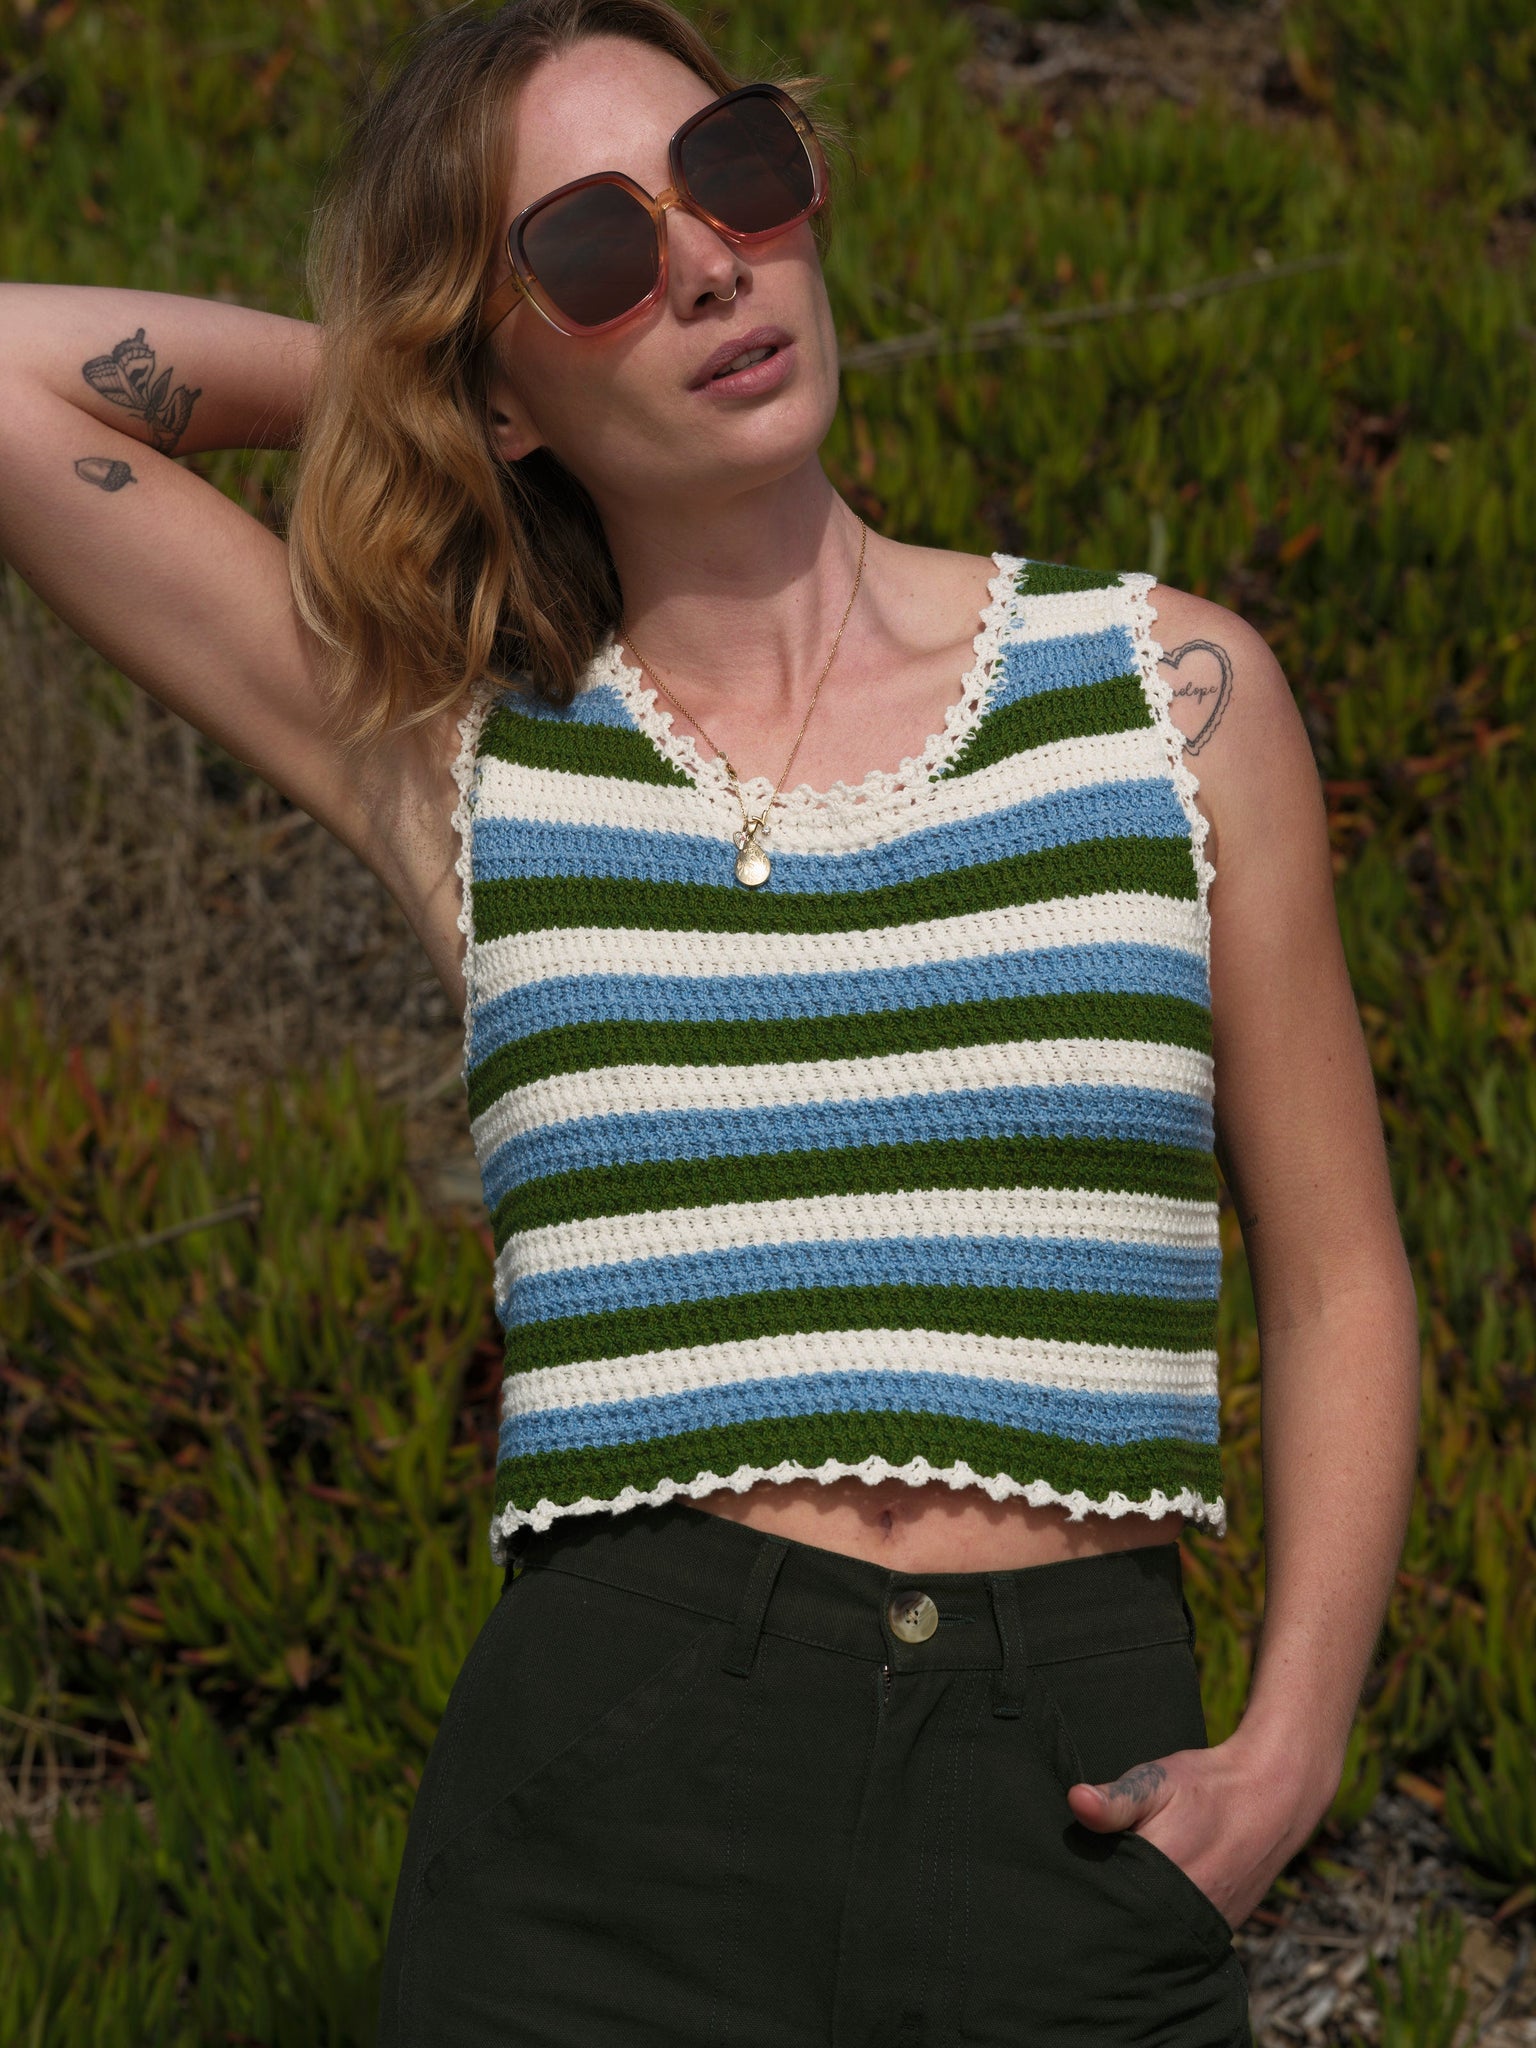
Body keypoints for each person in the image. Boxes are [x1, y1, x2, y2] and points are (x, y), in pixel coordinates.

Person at [0, 0, 1420, 2041]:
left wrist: (1291, 1745)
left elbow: (1341, 1269)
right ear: (496, 372)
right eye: (590, 251)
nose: (706, 265)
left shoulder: (1171, 699)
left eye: (736, 175)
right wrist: (450, 396)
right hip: (611, 1823)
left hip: (1074, 1808)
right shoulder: (470, 762)